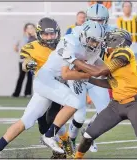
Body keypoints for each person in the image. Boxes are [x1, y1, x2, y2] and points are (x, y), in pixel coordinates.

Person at [70, 29, 137, 159]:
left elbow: (100, 71)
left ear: (117, 41)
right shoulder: (109, 55)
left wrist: (75, 62)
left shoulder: (125, 52)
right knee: (88, 136)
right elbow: (110, 83)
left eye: (109, 39)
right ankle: (77, 158)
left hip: (133, 103)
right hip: (115, 105)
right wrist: (86, 78)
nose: (105, 42)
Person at [0, 17, 67, 159]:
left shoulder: (65, 45)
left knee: (57, 118)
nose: (49, 37)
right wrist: (29, 65)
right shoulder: (32, 47)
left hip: (61, 88)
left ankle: (67, 143)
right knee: (31, 122)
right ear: (39, 34)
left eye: (52, 34)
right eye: (46, 34)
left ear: (57, 33)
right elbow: (25, 63)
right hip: (44, 89)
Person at [41, 20, 106, 154]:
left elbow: (94, 62)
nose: (96, 44)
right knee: (42, 118)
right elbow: (66, 73)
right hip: (54, 79)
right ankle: (54, 137)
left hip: (71, 77)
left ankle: (61, 141)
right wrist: (89, 72)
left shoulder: (94, 42)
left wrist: (106, 70)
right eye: (93, 40)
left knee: (77, 112)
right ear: (85, 36)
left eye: (98, 41)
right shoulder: (72, 42)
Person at [67, 3, 115, 153]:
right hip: (78, 75)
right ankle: (70, 139)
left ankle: (88, 135)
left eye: (100, 20)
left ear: (105, 20)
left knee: (105, 112)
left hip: (97, 75)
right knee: (79, 116)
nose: (96, 23)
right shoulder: (76, 31)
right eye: (93, 20)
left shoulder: (112, 32)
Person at [12, 23, 36, 97]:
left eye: (32, 28)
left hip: (31, 60)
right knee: (21, 76)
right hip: (22, 60)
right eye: (28, 28)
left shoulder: (35, 38)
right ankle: (16, 93)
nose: (30, 30)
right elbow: (15, 47)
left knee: (30, 77)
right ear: (25, 29)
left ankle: (27, 93)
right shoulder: (21, 38)